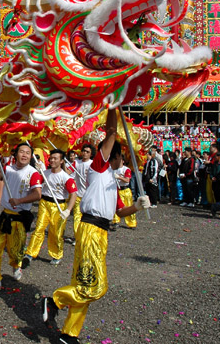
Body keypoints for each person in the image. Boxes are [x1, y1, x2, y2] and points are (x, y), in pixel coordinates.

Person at [41, 109, 150, 344]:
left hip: (101, 232)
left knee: (83, 281)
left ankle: (69, 334)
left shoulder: (113, 183)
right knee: (96, 286)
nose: (124, 162)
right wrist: (114, 102)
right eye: (121, 157)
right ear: (115, 157)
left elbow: (120, 211)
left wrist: (138, 208)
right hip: (90, 228)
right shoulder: (100, 168)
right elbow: (111, 132)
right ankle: (55, 300)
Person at [0, 142, 42, 295]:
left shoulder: (33, 173)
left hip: (19, 219)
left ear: (31, 156)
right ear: (16, 154)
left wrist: (19, 201)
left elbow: (37, 194)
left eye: (27, 153)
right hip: (4, 216)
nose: (24, 155)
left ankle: (16, 265)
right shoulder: (7, 169)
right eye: (21, 152)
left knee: (16, 250)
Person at [23, 149, 77, 268]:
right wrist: (37, 171)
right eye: (51, 158)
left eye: (55, 158)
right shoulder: (45, 174)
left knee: (56, 232)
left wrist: (68, 210)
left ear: (61, 161)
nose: (52, 160)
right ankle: (30, 253)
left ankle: (56, 255)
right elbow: (36, 184)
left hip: (59, 207)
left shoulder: (66, 177)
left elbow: (74, 194)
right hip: (44, 203)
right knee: (39, 228)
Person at [114, 157, 135, 229]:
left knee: (129, 206)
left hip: (125, 190)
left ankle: (131, 223)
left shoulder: (126, 169)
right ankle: (115, 221)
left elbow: (127, 180)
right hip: (117, 190)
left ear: (123, 161)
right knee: (116, 207)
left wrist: (119, 177)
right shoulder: (114, 169)